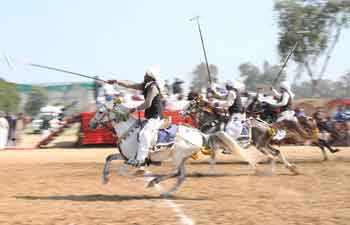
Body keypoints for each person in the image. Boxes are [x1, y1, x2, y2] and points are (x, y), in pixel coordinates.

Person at [108, 66, 164, 167]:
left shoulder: (153, 88)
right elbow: (130, 84)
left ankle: (141, 160)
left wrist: (134, 109)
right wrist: (116, 81)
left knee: (144, 134)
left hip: (156, 117)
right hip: (149, 117)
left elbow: (147, 104)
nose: (144, 76)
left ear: (150, 77)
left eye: (146, 75)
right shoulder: (146, 85)